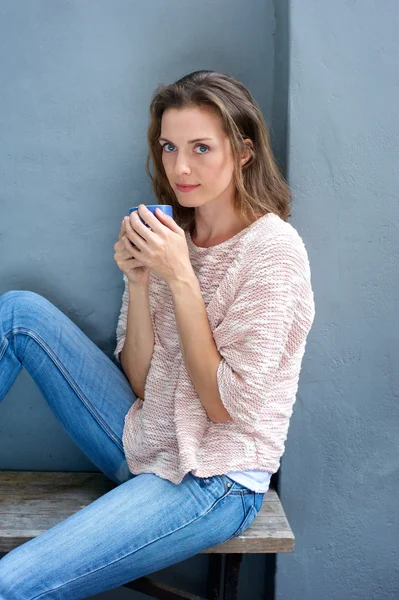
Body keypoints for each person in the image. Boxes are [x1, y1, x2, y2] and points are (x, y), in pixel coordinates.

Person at [0, 70, 315, 598]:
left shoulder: (273, 253)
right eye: (170, 147)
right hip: (146, 437)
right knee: (19, 313)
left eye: (200, 148)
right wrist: (140, 282)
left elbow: (224, 409)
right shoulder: (175, 234)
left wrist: (181, 277)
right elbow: (142, 383)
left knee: (12, 583)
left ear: (243, 151)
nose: (180, 167)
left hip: (214, 481)